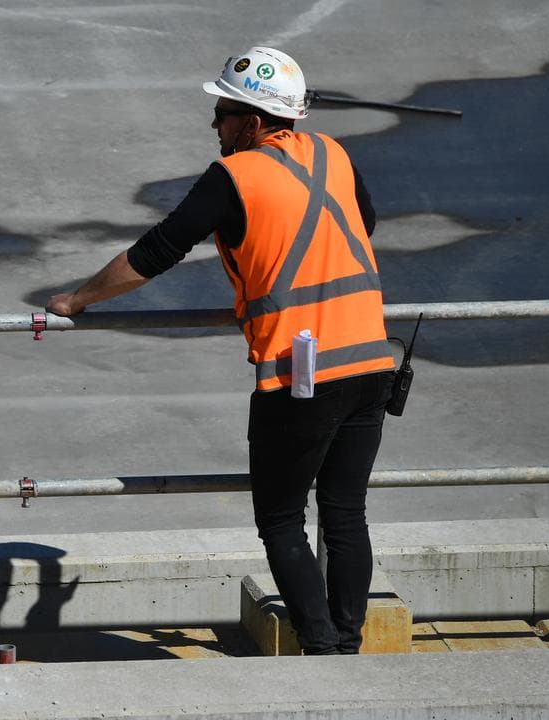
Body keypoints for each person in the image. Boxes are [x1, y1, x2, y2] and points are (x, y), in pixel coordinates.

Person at [46, 48, 394, 655]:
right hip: (370, 359)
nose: (215, 126)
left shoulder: (233, 176)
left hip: (300, 372)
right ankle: (348, 641)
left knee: (282, 520)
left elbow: (154, 253)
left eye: (223, 114)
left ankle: (324, 650)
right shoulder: (335, 154)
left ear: (255, 122)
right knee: (345, 513)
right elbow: (365, 222)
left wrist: (79, 298)